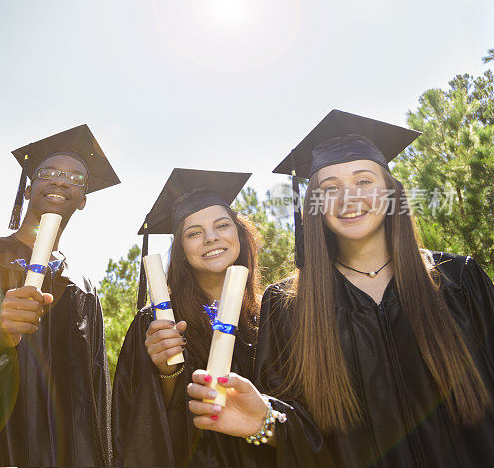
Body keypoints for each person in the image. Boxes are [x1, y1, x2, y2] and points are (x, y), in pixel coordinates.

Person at [187, 109, 494, 467]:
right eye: (330, 188)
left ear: (392, 193)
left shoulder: (459, 279)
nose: (348, 198)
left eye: (364, 181)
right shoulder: (289, 308)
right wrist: (265, 423)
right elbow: (301, 432)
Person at [0, 124, 119, 466]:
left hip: (68, 453)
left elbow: (95, 391)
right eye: (49, 172)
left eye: (75, 178)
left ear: (84, 199)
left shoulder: (83, 289)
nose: (61, 180)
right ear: (28, 189)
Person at [112, 168, 280, 466]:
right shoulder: (154, 322)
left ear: (238, 233)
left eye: (222, 225)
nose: (211, 238)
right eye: (194, 233)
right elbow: (141, 426)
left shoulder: (272, 314)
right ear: (181, 249)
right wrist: (166, 371)